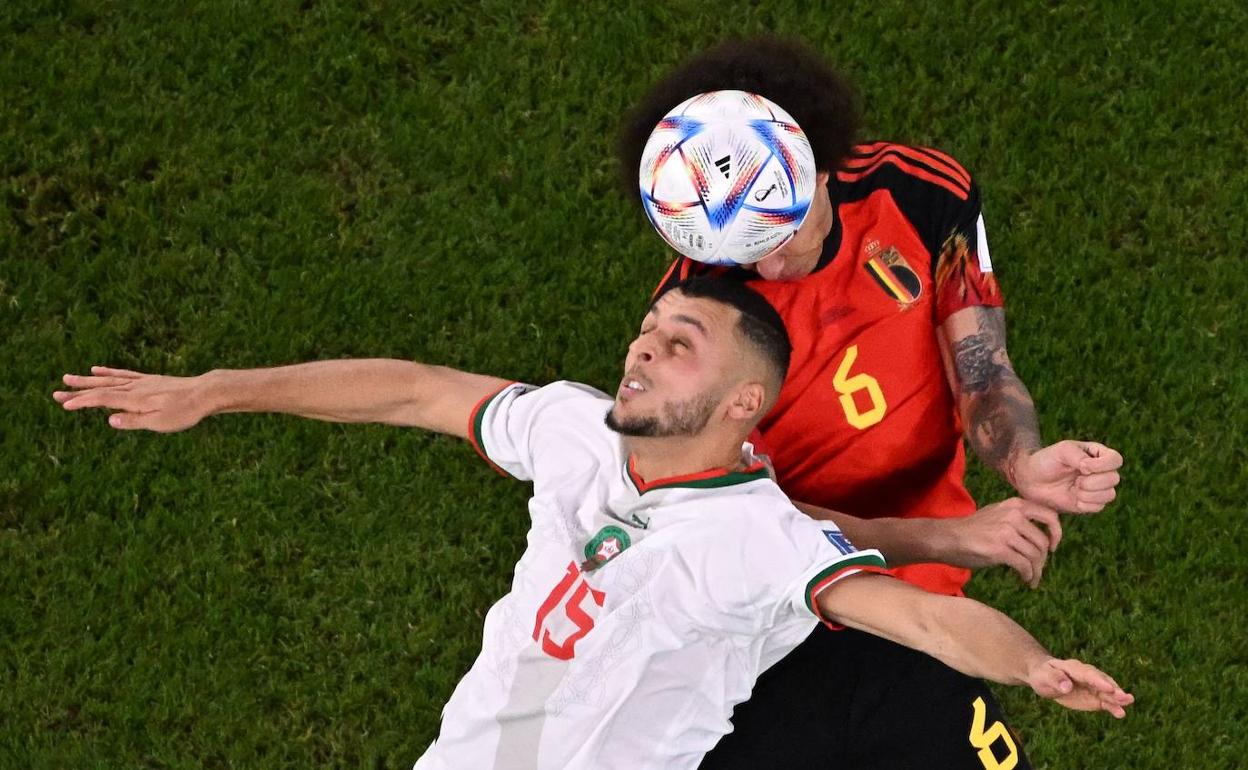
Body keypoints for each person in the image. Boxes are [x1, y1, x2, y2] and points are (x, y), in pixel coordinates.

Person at [54, 278, 1131, 770]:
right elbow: (415, 390)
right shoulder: (571, 429)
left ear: (744, 402)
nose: (645, 347)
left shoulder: (758, 538)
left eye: (682, 343)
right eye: (651, 329)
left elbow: (925, 622)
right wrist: (215, 388)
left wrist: (1033, 665)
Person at [617, 39, 1126, 768]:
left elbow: (979, 366)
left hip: (922, 610)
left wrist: (1023, 459)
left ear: (820, 165)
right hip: (769, 624)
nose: (766, 264)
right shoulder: (698, 321)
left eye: (779, 231)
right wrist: (954, 537)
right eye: (740, 250)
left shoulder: (919, 194)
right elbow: (739, 527)